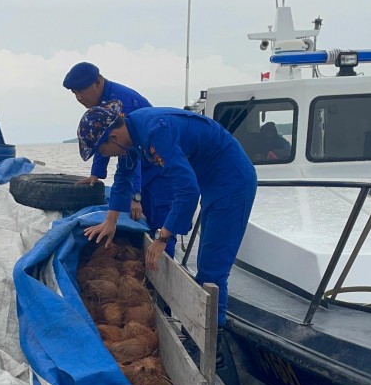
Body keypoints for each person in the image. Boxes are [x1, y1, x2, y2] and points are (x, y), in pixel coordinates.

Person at [78, 100, 257, 327]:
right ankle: (199, 325)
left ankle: (215, 342)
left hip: (231, 181)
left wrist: (164, 236)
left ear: (113, 137)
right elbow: (123, 179)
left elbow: (187, 190)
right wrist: (110, 222)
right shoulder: (132, 133)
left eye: (102, 151)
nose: (106, 155)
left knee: (212, 267)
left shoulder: (155, 132)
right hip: (209, 180)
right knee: (206, 261)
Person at [62, 62, 176, 254]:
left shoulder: (123, 102)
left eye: (82, 90)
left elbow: (133, 150)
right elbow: (102, 144)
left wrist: (135, 195)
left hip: (157, 167)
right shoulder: (101, 106)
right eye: (74, 93)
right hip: (138, 164)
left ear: (98, 82)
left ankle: (165, 266)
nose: (79, 97)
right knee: (145, 219)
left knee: (160, 221)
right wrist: (96, 174)